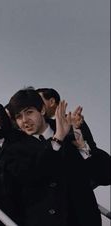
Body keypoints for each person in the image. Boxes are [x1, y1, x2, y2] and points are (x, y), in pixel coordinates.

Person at [5, 88, 102, 226]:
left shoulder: (73, 133)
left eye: (29, 112)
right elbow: (31, 175)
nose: (25, 120)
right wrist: (57, 139)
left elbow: (104, 175)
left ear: (42, 110)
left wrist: (83, 146)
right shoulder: (13, 149)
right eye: (19, 116)